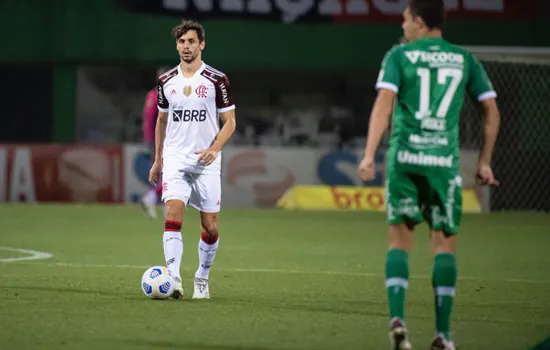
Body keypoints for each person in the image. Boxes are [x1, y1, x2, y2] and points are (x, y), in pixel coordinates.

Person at [357, 1, 500, 349]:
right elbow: (491, 112)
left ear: (419, 21)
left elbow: (383, 105)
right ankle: (443, 335)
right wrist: (484, 161)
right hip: (442, 165)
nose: (402, 25)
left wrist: (368, 154)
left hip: (405, 158)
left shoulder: (399, 56)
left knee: (399, 242)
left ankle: (397, 321)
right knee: (444, 245)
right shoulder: (464, 59)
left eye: (406, 19)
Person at [148, 20, 236, 300]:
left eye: (191, 42)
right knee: (173, 213)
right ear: (177, 45)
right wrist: (158, 159)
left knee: (210, 226)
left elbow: (230, 122)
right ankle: (173, 279)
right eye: (182, 42)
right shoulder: (166, 81)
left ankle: (202, 276)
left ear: (202, 45)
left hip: (206, 162)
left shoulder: (216, 80)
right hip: (176, 158)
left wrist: (215, 148)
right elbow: (161, 121)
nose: (186, 46)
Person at [140, 66, 170, 219]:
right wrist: (149, 143)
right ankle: (150, 198)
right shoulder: (155, 96)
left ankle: (164, 207)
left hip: (170, 141)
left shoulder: (170, 95)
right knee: (169, 175)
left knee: (167, 175)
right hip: (162, 142)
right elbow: (149, 120)